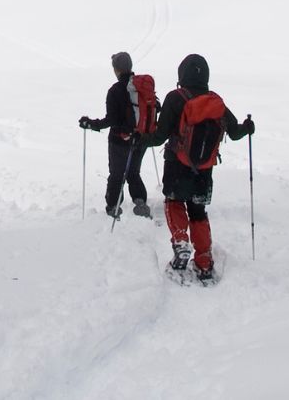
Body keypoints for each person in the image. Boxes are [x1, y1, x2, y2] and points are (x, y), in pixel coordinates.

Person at [145, 52, 252, 281]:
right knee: (198, 211)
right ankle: (204, 261)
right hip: (204, 170)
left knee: (173, 202)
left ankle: (181, 242)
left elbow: (158, 137)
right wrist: (248, 127)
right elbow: (234, 133)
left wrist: (140, 137)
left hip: (176, 165)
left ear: (181, 74)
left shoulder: (175, 98)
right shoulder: (216, 101)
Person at [78, 51, 152, 220]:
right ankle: (140, 201)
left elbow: (110, 119)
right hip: (141, 138)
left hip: (120, 140)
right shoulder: (142, 86)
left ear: (116, 69)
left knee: (117, 174)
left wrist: (90, 124)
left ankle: (113, 208)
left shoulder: (115, 90)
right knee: (134, 172)